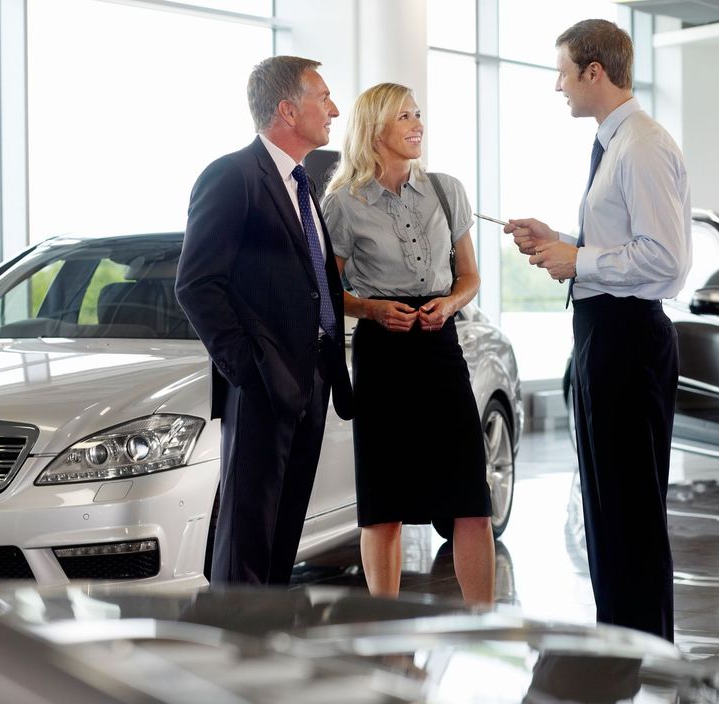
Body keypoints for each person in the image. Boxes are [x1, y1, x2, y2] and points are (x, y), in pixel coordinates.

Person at [504, 20, 691, 641]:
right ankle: (623, 647)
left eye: (563, 72)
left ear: (594, 72)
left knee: (629, 513)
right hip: (604, 336)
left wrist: (578, 260)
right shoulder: (617, 144)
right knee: (608, 511)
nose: (558, 86)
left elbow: (666, 261)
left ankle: (643, 653)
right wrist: (561, 242)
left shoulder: (641, 145)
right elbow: (624, 244)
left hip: (627, 340)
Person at [175, 56, 353, 586]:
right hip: (262, 383)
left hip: (313, 378)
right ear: (287, 108)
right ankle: (237, 652)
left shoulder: (306, 182)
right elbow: (197, 285)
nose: (335, 111)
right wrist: (249, 372)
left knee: (284, 531)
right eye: (324, 99)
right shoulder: (232, 176)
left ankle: (269, 646)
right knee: (247, 537)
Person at [322, 82, 495, 605]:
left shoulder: (447, 189)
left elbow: (469, 276)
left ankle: (483, 619)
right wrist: (371, 309)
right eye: (404, 116)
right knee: (384, 501)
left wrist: (450, 304)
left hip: (443, 349)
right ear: (375, 129)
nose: (417, 124)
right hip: (382, 354)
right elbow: (330, 292)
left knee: (470, 498)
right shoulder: (343, 204)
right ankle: (386, 625)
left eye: (418, 114)